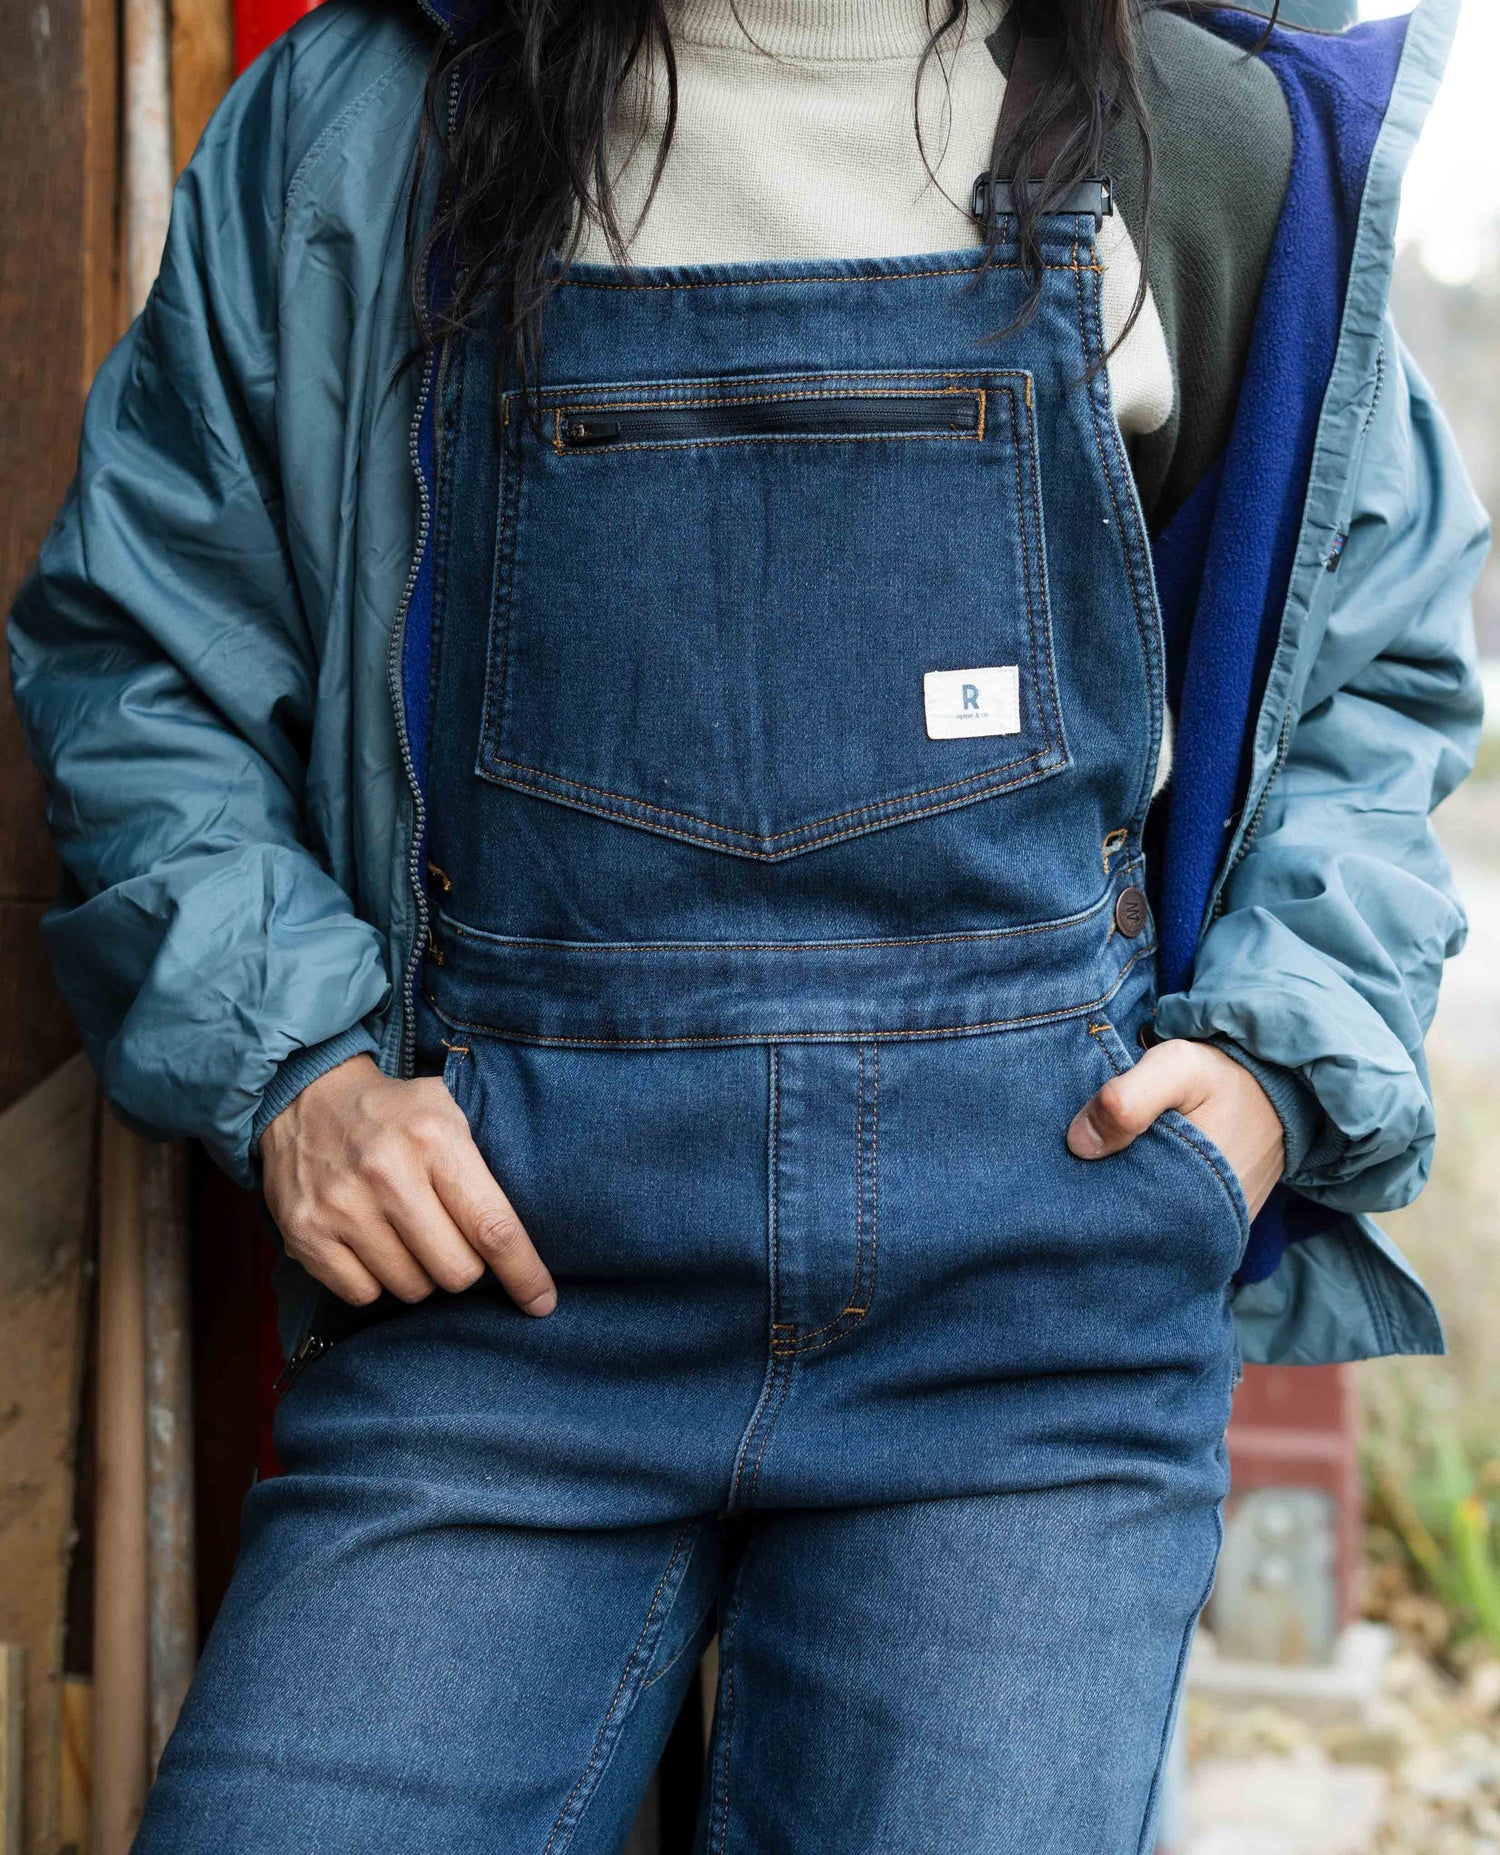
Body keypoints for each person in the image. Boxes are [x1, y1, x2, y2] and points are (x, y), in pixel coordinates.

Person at [8, 0, 1487, 1847]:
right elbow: (143, 656)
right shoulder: (372, 130)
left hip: (1029, 1333)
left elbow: (1378, 662)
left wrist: (1276, 1060)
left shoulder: (1199, 139)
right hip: (500, 1312)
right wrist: (290, 1064)